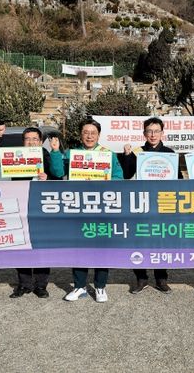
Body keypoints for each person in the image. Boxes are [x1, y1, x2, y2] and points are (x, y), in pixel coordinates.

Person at [50, 118, 123, 302]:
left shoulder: (108, 154)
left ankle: (100, 287)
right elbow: (58, 173)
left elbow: (119, 178)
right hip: (79, 207)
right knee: (79, 247)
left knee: (101, 247)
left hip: (101, 207)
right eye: (86, 132)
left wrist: (102, 181)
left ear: (99, 135)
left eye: (93, 133)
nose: (89, 136)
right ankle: (79, 286)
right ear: (80, 134)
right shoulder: (72, 154)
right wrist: (56, 152)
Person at [0, 124, 57, 299]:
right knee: (21, 244)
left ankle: (41, 285)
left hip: (41, 205)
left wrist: (48, 177)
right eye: (27, 139)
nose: (31, 142)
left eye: (35, 139)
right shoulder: (15, 155)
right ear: (23, 142)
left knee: (41, 245)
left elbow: (57, 174)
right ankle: (24, 283)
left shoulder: (45, 154)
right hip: (19, 203)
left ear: (40, 142)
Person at [120, 117, 174, 294]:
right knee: (139, 240)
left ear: (162, 133)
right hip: (141, 203)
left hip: (162, 204)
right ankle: (141, 278)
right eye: (149, 131)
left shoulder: (170, 153)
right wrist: (127, 156)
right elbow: (126, 175)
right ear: (144, 133)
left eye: (156, 131)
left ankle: (161, 279)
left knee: (161, 241)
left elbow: (178, 180)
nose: (153, 134)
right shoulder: (137, 152)